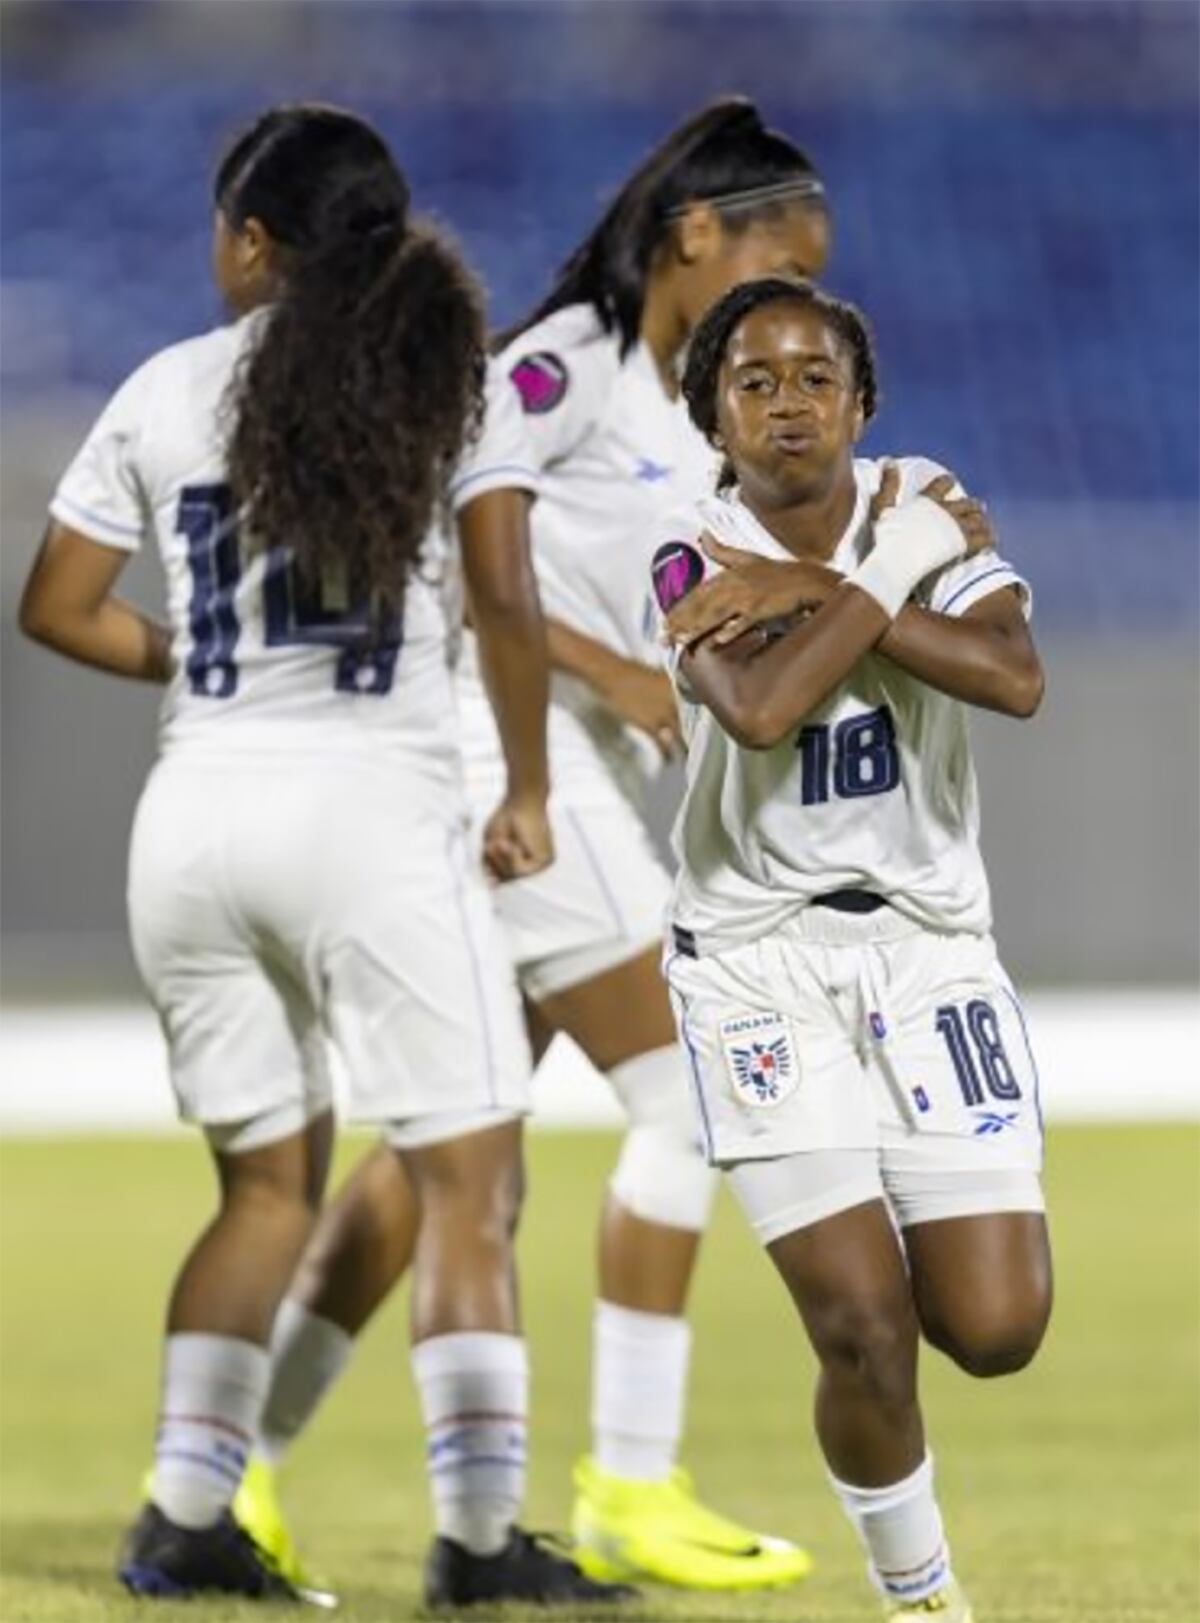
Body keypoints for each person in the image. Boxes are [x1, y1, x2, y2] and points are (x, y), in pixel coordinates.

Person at [19, 103, 634, 1612]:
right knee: (469, 1181)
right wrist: (533, 788)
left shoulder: (165, 388)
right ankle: (480, 1542)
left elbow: (54, 602)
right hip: (371, 817)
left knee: (264, 1194)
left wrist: (198, 661)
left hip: (196, 821)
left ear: (251, 242)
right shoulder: (443, 381)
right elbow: (501, 596)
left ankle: (182, 1517)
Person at [233, 96, 830, 1594]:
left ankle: (227, 1475)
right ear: (696, 237)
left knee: (442, 1161)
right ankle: (630, 1483)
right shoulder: (560, 366)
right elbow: (452, 550)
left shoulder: (679, 410)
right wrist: (614, 679)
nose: (797, 295)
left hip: (539, 772)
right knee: (695, 1100)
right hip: (500, 758)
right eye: (782, 259)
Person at [646, 275, 1053, 1622]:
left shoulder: (919, 494)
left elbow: (1015, 679)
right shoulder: (681, 547)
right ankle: (924, 1602)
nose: (786, 404)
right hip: (756, 965)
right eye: (752, 382)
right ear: (714, 418)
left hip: (931, 954)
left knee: (995, 1331)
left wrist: (816, 584)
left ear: (861, 403)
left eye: (814, 376)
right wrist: (883, 578)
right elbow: (759, 710)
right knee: (863, 1332)